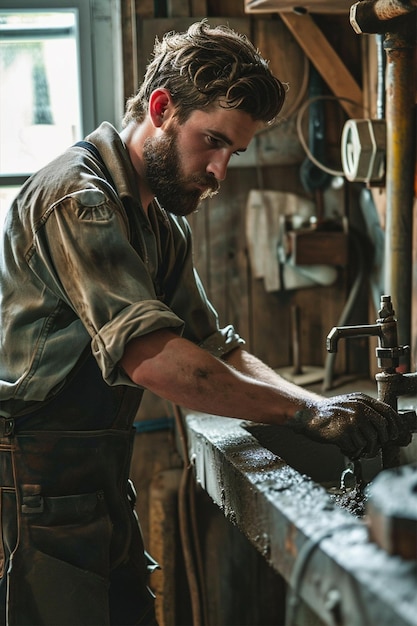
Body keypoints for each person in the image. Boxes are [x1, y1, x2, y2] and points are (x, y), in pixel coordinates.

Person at [0, 19, 413, 626]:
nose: (220, 171)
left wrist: (322, 407)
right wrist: (303, 414)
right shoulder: (79, 198)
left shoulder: (163, 226)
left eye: (235, 152)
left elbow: (214, 347)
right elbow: (153, 356)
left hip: (97, 480)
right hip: (26, 483)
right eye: (212, 141)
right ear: (162, 108)